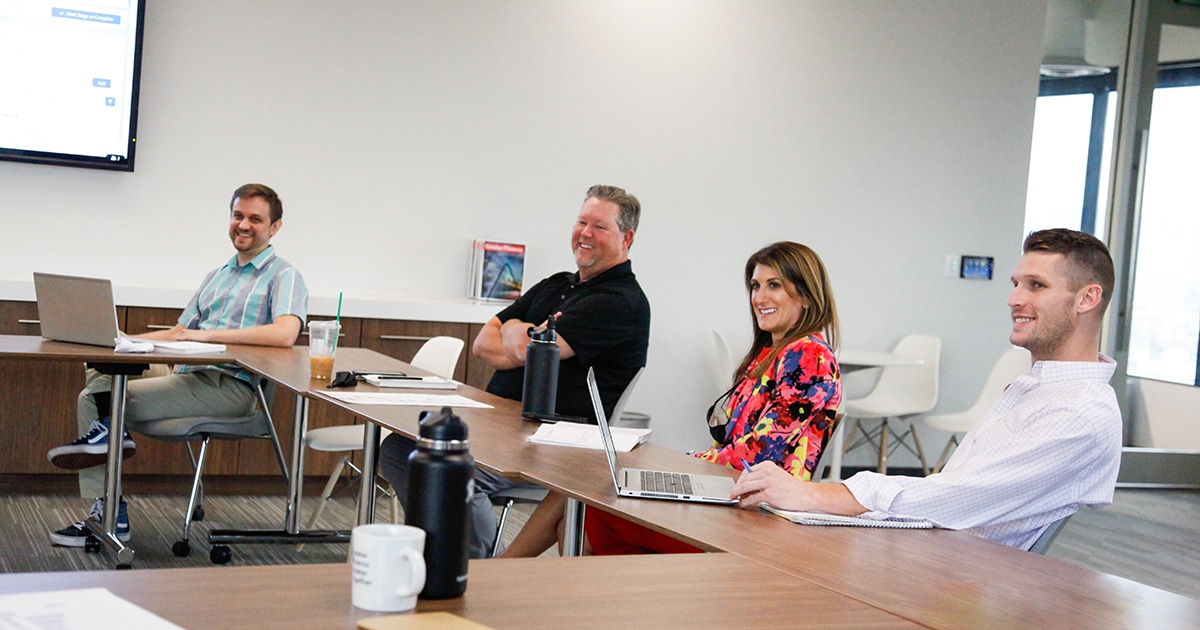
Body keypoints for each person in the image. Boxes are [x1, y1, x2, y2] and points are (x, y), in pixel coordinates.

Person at [732, 228, 1122, 551]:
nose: (1014, 299)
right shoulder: (1038, 391)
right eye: (1016, 284)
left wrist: (811, 495)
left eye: (1036, 285)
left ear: (1088, 298)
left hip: (946, 581)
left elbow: (956, 499)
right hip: (924, 553)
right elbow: (946, 497)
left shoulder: (1080, 415)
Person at [379, 184, 651, 558]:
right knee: (400, 448)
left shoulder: (620, 302)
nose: (585, 233)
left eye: (599, 227)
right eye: (581, 222)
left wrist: (515, 333)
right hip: (501, 423)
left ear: (627, 238)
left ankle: (479, 573)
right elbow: (483, 343)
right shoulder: (557, 284)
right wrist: (522, 336)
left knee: (449, 471)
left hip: (553, 441)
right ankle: (452, 550)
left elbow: (532, 349)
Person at [46, 183, 308, 547]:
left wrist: (208, 337)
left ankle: (110, 515)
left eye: (255, 219)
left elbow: (285, 334)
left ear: (274, 227)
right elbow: (182, 332)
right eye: (237, 216)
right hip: (186, 371)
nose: (243, 225)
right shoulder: (218, 275)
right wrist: (124, 341)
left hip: (230, 387)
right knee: (102, 366)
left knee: (95, 399)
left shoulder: (284, 275)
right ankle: (111, 435)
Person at [582, 241, 842, 555]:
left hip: (757, 517)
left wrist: (684, 463)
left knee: (599, 511)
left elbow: (761, 453)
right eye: (755, 286)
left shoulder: (809, 357)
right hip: (732, 497)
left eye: (774, 285)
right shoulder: (769, 356)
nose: (759, 297)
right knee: (595, 500)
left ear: (805, 294)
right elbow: (731, 445)